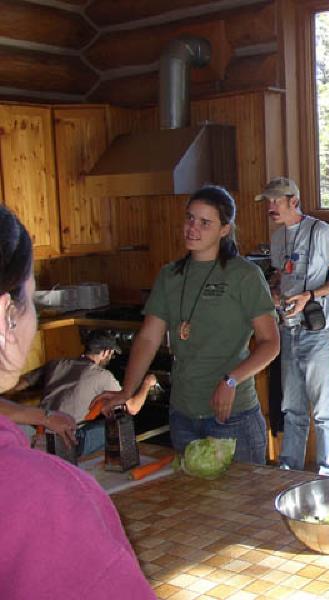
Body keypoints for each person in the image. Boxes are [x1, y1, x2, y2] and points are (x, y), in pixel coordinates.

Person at [0, 205, 155, 598]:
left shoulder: (59, 366)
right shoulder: (47, 498)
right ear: (7, 316)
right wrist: (147, 385)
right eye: (31, 297)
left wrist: (40, 413)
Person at [95, 185, 279, 464]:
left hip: (232, 416)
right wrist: (127, 389)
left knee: (242, 505)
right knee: (191, 504)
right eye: (190, 218)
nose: (193, 228)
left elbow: (270, 343)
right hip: (183, 415)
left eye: (205, 223)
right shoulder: (170, 275)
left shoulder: (245, 275)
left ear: (224, 230)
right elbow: (148, 338)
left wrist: (231, 380)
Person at [257, 176, 329, 476]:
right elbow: (281, 276)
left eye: (276, 201)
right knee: (292, 407)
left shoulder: (320, 232)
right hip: (288, 327)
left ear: (293, 201)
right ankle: (288, 471)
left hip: (320, 330)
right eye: (268, 202)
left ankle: (328, 473)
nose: (271, 207)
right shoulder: (277, 238)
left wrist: (310, 295)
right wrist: (274, 292)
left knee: (324, 410)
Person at [13, 332, 158, 455]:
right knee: (117, 426)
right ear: (105, 352)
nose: (110, 358)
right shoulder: (102, 375)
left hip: (39, 435)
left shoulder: (56, 364)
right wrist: (147, 383)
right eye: (112, 355)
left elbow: (23, 382)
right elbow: (133, 407)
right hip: (67, 443)